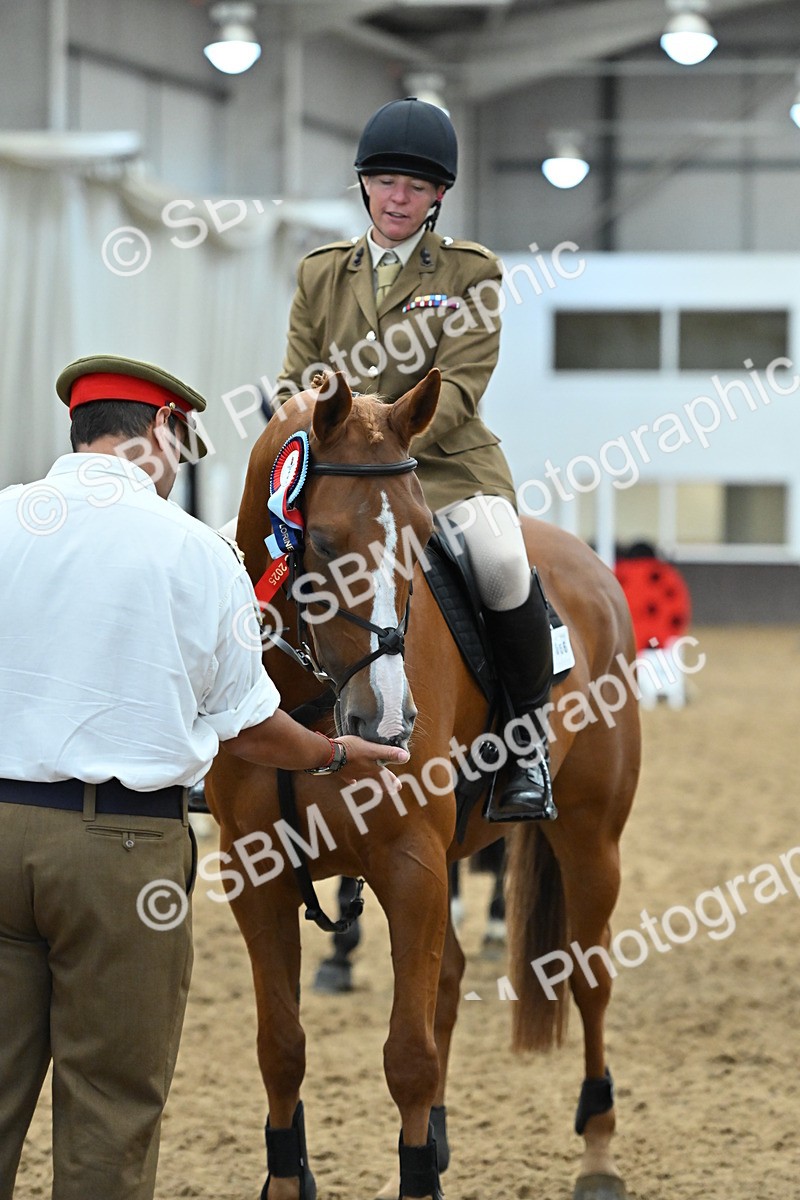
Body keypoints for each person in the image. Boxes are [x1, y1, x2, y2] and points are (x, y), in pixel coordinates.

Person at [0, 354, 408, 1200]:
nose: (180, 456)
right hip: (120, 850)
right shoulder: (194, 552)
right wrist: (336, 753)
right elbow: (251, 728)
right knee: (110, 1107)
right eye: (179, 438)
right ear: (155, 432)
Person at [276, 96, 555, 824]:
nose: (398, 198)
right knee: (245, 555)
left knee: (499, 559)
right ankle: (223, 730)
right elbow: (295, 376)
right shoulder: (319, 274)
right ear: (365, 183)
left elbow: (458, 387)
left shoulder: (469, 273)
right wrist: (315, 433)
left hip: (443, 466)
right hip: (337, 473)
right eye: (385, 181)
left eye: (416, 186)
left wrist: (380, 435)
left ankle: (527, 747)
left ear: (438, 197)